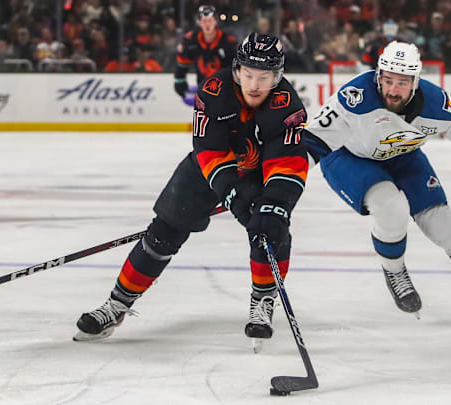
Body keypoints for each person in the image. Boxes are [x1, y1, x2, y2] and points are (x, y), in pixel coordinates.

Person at [75, 33, 309, 350]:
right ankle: (117, 305)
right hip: (209, 170)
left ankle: (263, 301)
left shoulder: (287, 105)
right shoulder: (214, 90)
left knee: (270, 229)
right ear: (237, 70)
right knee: (164, 231)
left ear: (277, 76)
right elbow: (209, 150)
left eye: (264, 77)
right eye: (249, 75)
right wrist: (231, 192)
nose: (254, 85)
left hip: (259, 173)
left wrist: (276, 205)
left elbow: (288, 162)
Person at [303, 41, 451, 324]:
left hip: (402, 154)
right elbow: (310, 143)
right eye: (388, 80)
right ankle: (394, 269)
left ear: (416, 82)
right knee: (390, 206)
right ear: (378, 75)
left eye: (402, 83)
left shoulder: (436, 103)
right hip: (348, 156)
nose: (392, 90)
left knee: (446, 224)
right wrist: (279, 185)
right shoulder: (354, 97)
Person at [174, 5, 237, 105]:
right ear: (199, 22)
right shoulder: (191, 40)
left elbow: (234, 68)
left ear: (216, 21)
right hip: (202, 87)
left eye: (210, 21)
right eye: (204, 21)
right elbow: (182, 64)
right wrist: (179, 81)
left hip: (225, 90)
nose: (207, 24)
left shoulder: (227, 41)